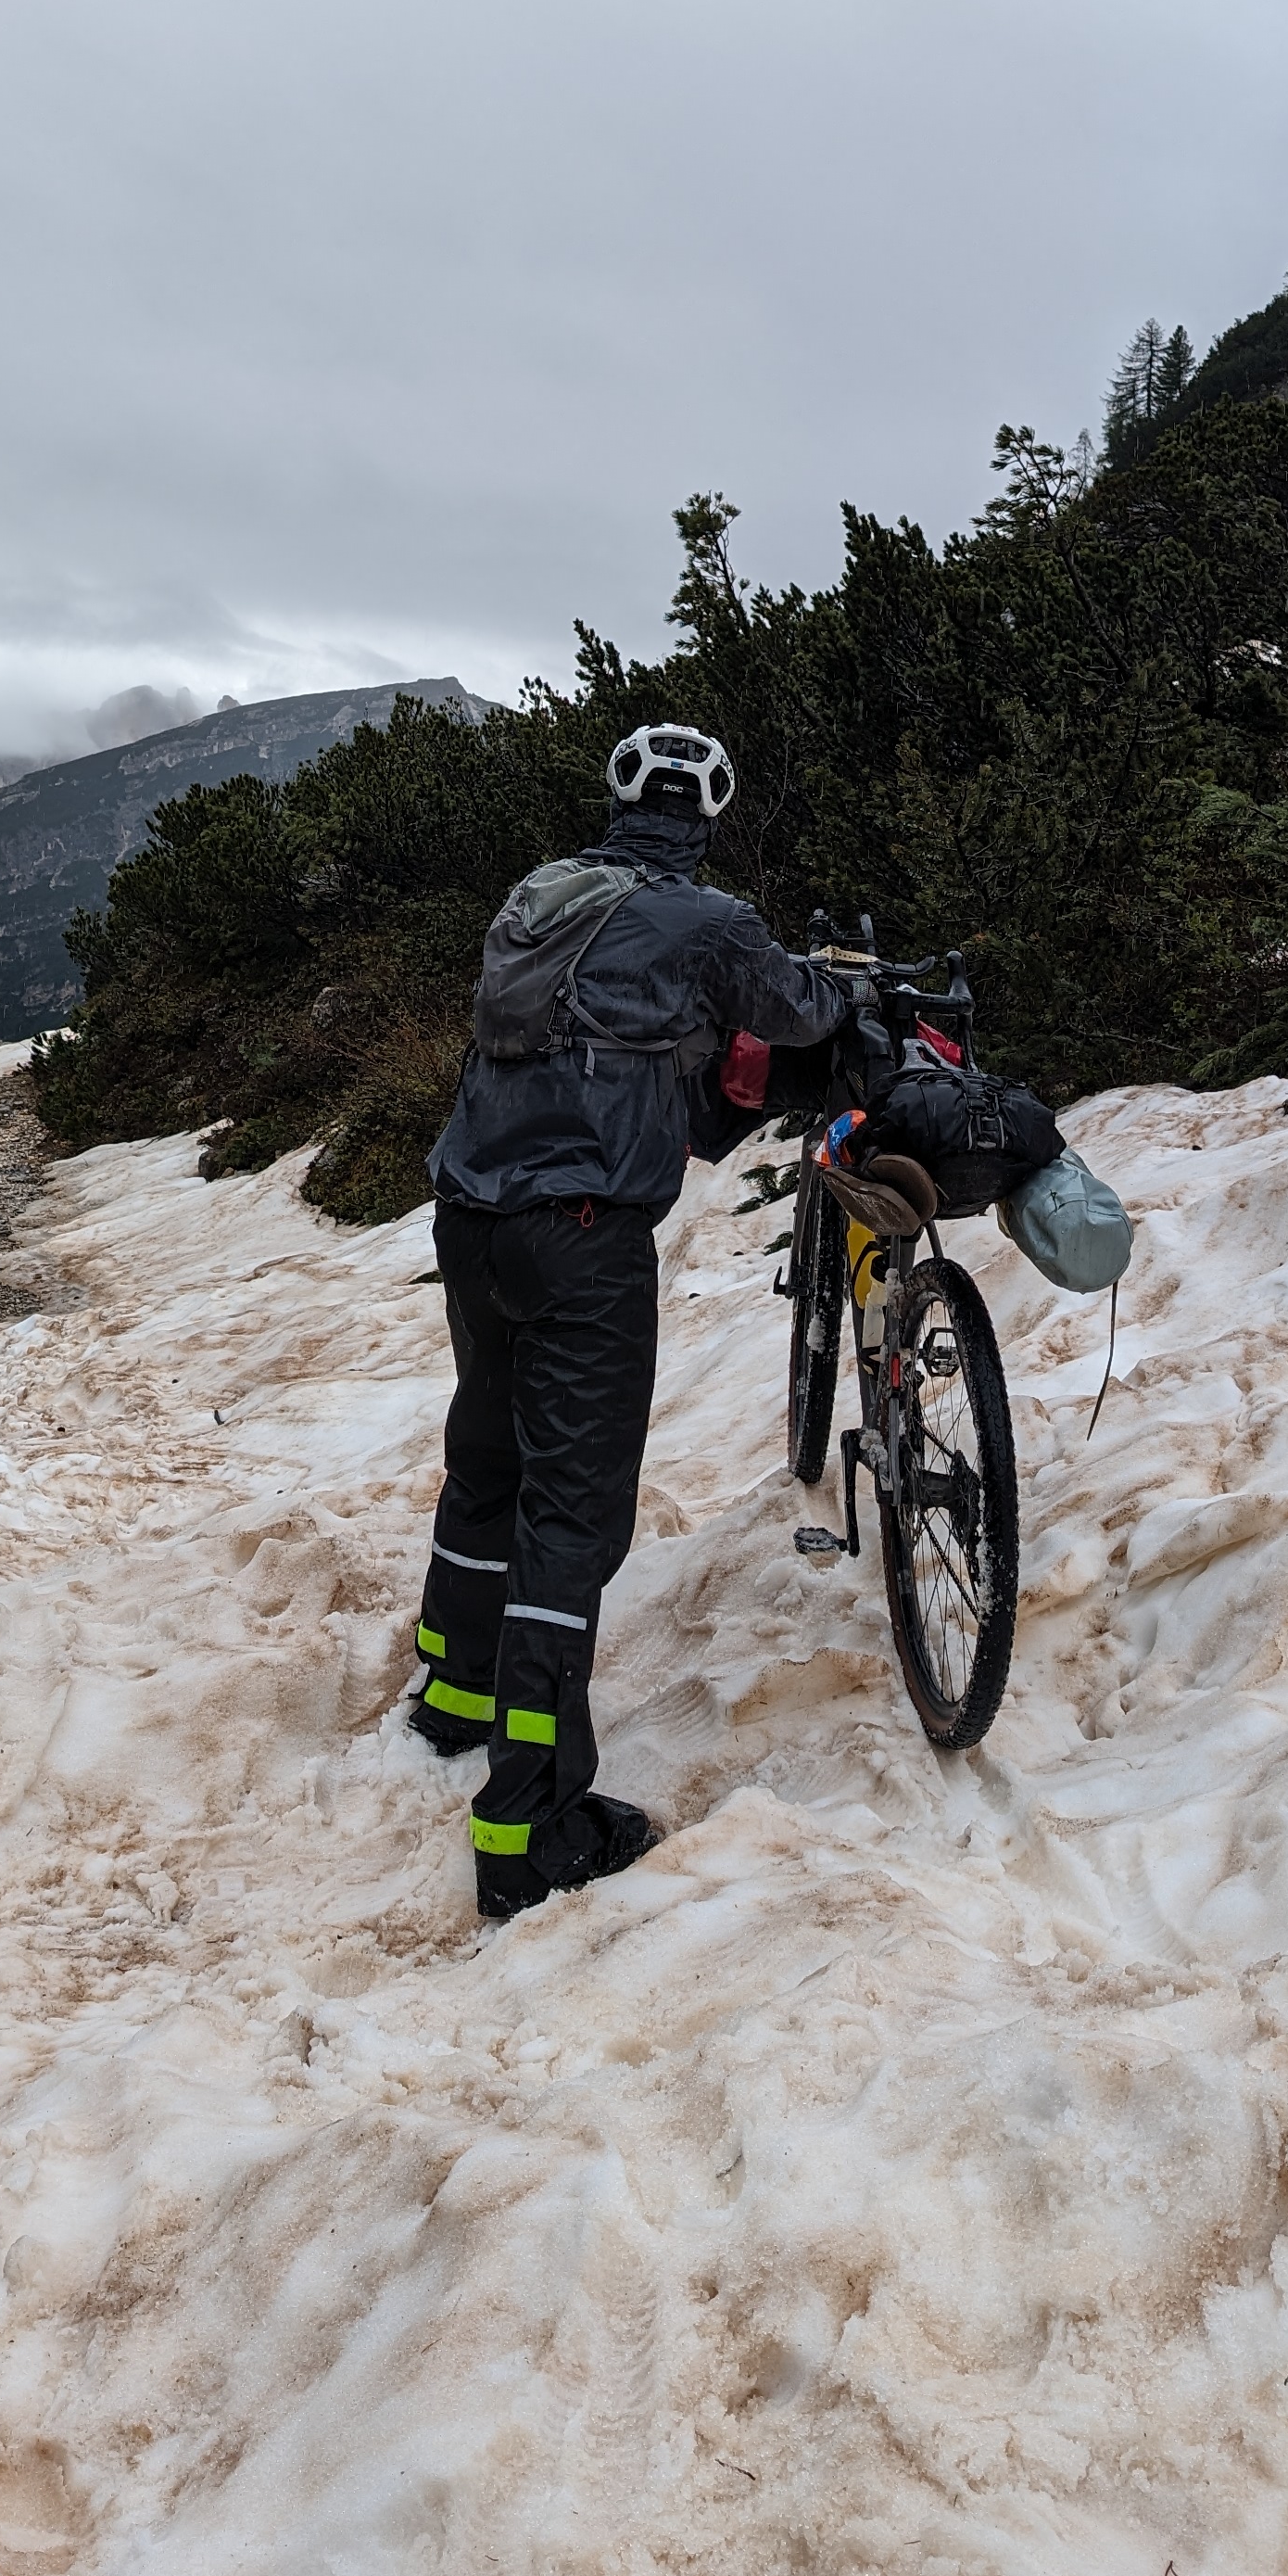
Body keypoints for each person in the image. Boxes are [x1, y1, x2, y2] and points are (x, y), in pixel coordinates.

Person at [412, 723, 844, 1920]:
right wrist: (840, 981)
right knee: (572, 1516)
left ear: (618, 800)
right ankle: (529, 1826)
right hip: (583, 1238)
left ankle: (452, 1695)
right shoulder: (707, 919)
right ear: (706, 812)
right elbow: (799, 1009)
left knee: (487, 1453)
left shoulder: (542, 893)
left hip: (470, 1216)